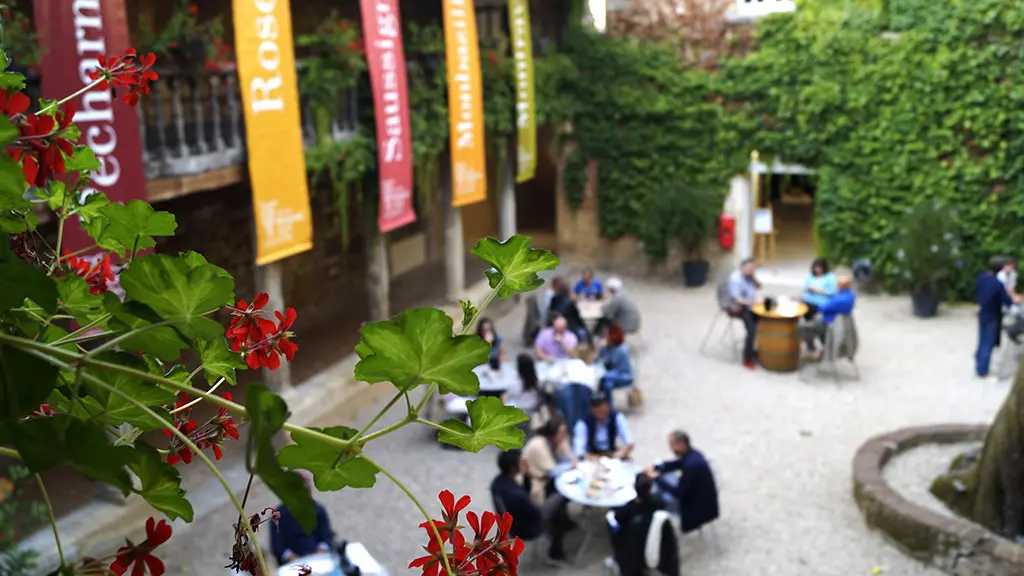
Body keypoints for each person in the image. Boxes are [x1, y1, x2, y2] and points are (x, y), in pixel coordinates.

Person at [491, 449, 573, 565]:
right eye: (521, 461)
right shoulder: (517, 495)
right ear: (513, 467)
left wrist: (527, 476)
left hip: (513, 522)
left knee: (555, 500)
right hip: (527, 529)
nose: (524, 463)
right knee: (558, 509)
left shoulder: (498, 482)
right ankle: (556, 553)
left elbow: (525, 496)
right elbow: (536, 514)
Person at [645, 431, 719, 534]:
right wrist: (657, 467)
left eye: (672, 445)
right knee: (666, 477)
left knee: (656, 495)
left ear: (681, 444)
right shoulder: (694, 455)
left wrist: (657, 478)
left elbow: (678, 493)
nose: (670, 448)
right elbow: (677, 463)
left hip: (696, 507)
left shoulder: (691, 467)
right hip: (702, 499)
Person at [606, 473, 679, 576]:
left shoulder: (629, 509)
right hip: (651, 542)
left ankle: (617, 558)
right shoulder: (658, 504)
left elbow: (616, 517)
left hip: (631, 546)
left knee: (611, 525)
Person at [270, 474, 335, 566]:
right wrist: (295, 560)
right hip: (292, 563)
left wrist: (319, 553)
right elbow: (277, 546)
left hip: (318, 558)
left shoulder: (318, 510)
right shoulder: (278, 516)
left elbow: (326, 536)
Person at [799, 274, 856, 360]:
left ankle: (811, 349)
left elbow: (822, 308)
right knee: (810, 311)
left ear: (841, 286)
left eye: (837, 284)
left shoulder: (839, 299)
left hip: (830, 325)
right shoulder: (850, 295)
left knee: (803, 327)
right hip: (839, 322)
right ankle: (820, 347)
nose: (836, 285)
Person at [976, 259, 1017, 380]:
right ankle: (983, 372)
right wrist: (1014, 301)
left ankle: (979, 367)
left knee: (982, 340)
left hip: (982, 312)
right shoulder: (997, 284)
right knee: (988, 343)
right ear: (1001, 269)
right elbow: (1007, 301)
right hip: (993, 315)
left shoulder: (981, 277)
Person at [522, 416, 575, 504]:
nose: (565, 436)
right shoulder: (539, 445)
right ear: (553, 435)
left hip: (548, 477)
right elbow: (552, 471)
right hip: (534, 480)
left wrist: (571, 460)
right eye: (562, 433)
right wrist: (570, 465)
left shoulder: (559, 441)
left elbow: (568, 457)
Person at [572, 393, 634, 459]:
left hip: (612, 454)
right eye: (598, 411)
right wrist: (589, 457)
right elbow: (579, 450)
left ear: (608, 406)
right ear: (592, 410)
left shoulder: (616, 417)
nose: (602, 414)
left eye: (604, 410)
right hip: (592, 457)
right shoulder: (583, 424)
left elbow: (629, 440)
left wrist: (623, 452)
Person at [728, 258, 762, 370]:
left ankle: (753, 349)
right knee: (752, 329)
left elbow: (757, 288)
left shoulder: (749, 276)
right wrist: (754, 302)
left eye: (753, 269)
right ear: (742, 268)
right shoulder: (736, 279)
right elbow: (737, 300)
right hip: (738, 308)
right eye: (749, 269)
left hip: (750, 305)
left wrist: (754, 278)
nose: (751, 271)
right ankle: (747, 358)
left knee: (765, 320)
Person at [597, 323, 634, 409]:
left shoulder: (621, 350)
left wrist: (605, 374)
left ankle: (608, 408)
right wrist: (599, 349)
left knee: (603, 379)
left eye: (606, 335)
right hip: (612, 375)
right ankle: (604, 406)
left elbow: (622, 370)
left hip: (623, 375)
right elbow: (598, 361)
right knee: (607, 384)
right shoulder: (606, 348)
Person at [549, 278, 589, 342]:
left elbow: (551, 312)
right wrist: (585, 327)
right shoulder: (570, 302)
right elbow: (578, 317)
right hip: (570, 328)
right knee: (586, 331)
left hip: (556, 325)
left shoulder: (553, 299)